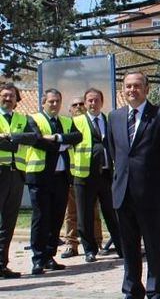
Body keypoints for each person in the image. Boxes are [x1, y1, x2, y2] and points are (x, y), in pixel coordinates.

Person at [108, 72, 160, 299]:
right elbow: (115, 153)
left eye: (137, 86)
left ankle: (156, 295)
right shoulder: (115, 117)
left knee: (153, 248)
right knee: (128, 249)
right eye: (128, 86)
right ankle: (132, 295)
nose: (132, 90)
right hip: (123, 194)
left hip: (151, 195)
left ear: (147, 89)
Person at [27, 88, 83, 275]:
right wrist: (61, 145)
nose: (54, 104)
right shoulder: (34, 119)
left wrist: (58, 138)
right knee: (41, 217)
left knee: (57, 217)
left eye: (57, 101)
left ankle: (50, 255)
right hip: (41, 176)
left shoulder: (66, 121)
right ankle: (38, 258)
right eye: (51, 101)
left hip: (61, 177)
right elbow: (37, 141)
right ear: (43, 103)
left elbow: (78, 137)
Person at [71, 87, 122, 262]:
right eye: (90, 100)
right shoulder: (77, 122)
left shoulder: (110, 120)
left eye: (96, 100)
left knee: (113, 213)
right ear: (85, 103)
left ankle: (122, 247)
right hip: (84, 175)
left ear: (102, 102)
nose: (93, 103)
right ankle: (89, 250)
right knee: (85, 215)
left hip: (107, 175)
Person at [0, 82, 40, 279]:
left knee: (8, 222)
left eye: (12, 96)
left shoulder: (22, 118)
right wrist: (16, 143)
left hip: (17, 175)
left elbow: (34, 137)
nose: (8, 99)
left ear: (17, 101)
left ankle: (2, 264)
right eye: (5, 95)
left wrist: (10, 137)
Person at [62, 98, 103, 259]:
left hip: (87, 175)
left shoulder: (90, 125)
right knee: (71, 212)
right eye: (74, 105)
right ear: (70, 109)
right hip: (70, 175)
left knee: (93, 211)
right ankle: (71, 244)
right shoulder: (67, 125)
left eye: (81, 104)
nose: (78, 107)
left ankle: (97, 242)